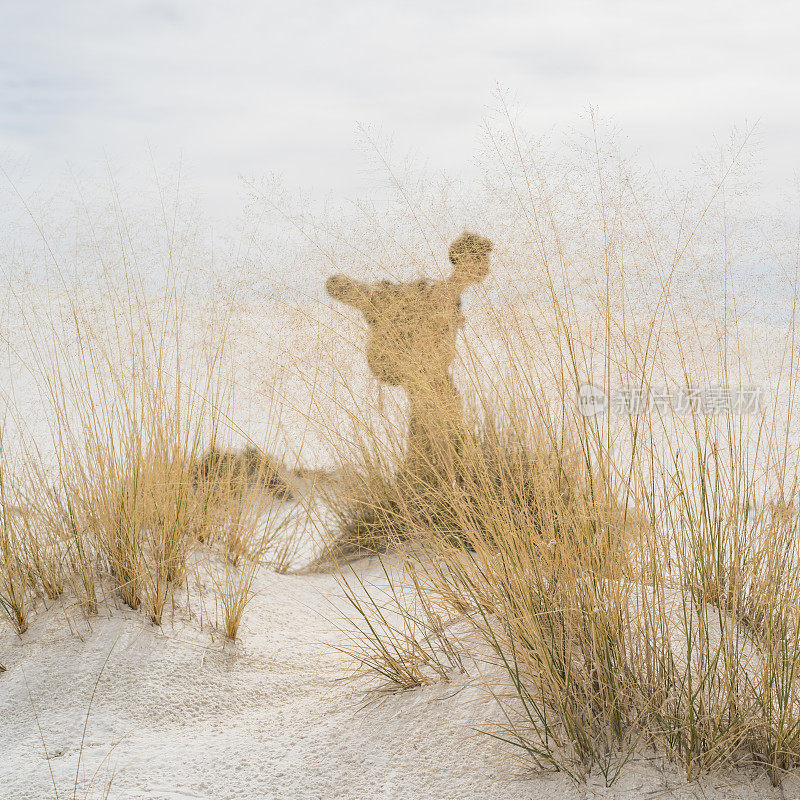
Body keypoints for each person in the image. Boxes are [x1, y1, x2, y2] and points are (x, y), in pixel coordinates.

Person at [326, 232, 492, 484]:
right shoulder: (442, 295)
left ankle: (419, 489)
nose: (484, 265)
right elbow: (424, 343)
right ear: (461, 259)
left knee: (428, 443)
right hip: (426, 379)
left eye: (485, 258)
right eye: (478, 258)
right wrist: (427, 380)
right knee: (433, 444)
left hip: (430, 378)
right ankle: (425, 493)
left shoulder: (451, 296)